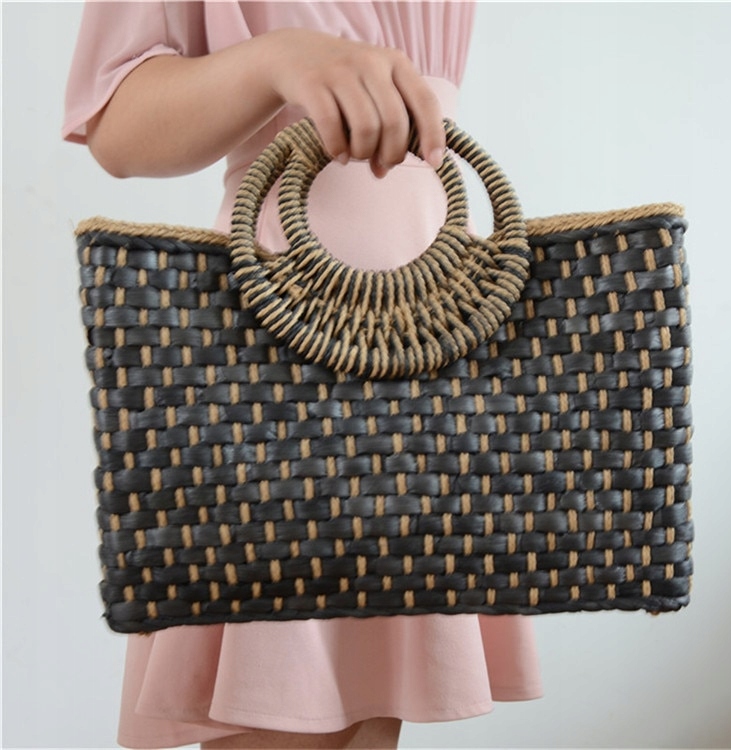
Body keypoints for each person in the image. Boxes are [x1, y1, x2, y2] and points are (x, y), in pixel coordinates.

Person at [63, 3, 543, 748]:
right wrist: (276, 59)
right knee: (277, 711)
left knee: (369, 726)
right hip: (280, 334)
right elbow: (116, 124)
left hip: (431, 317)